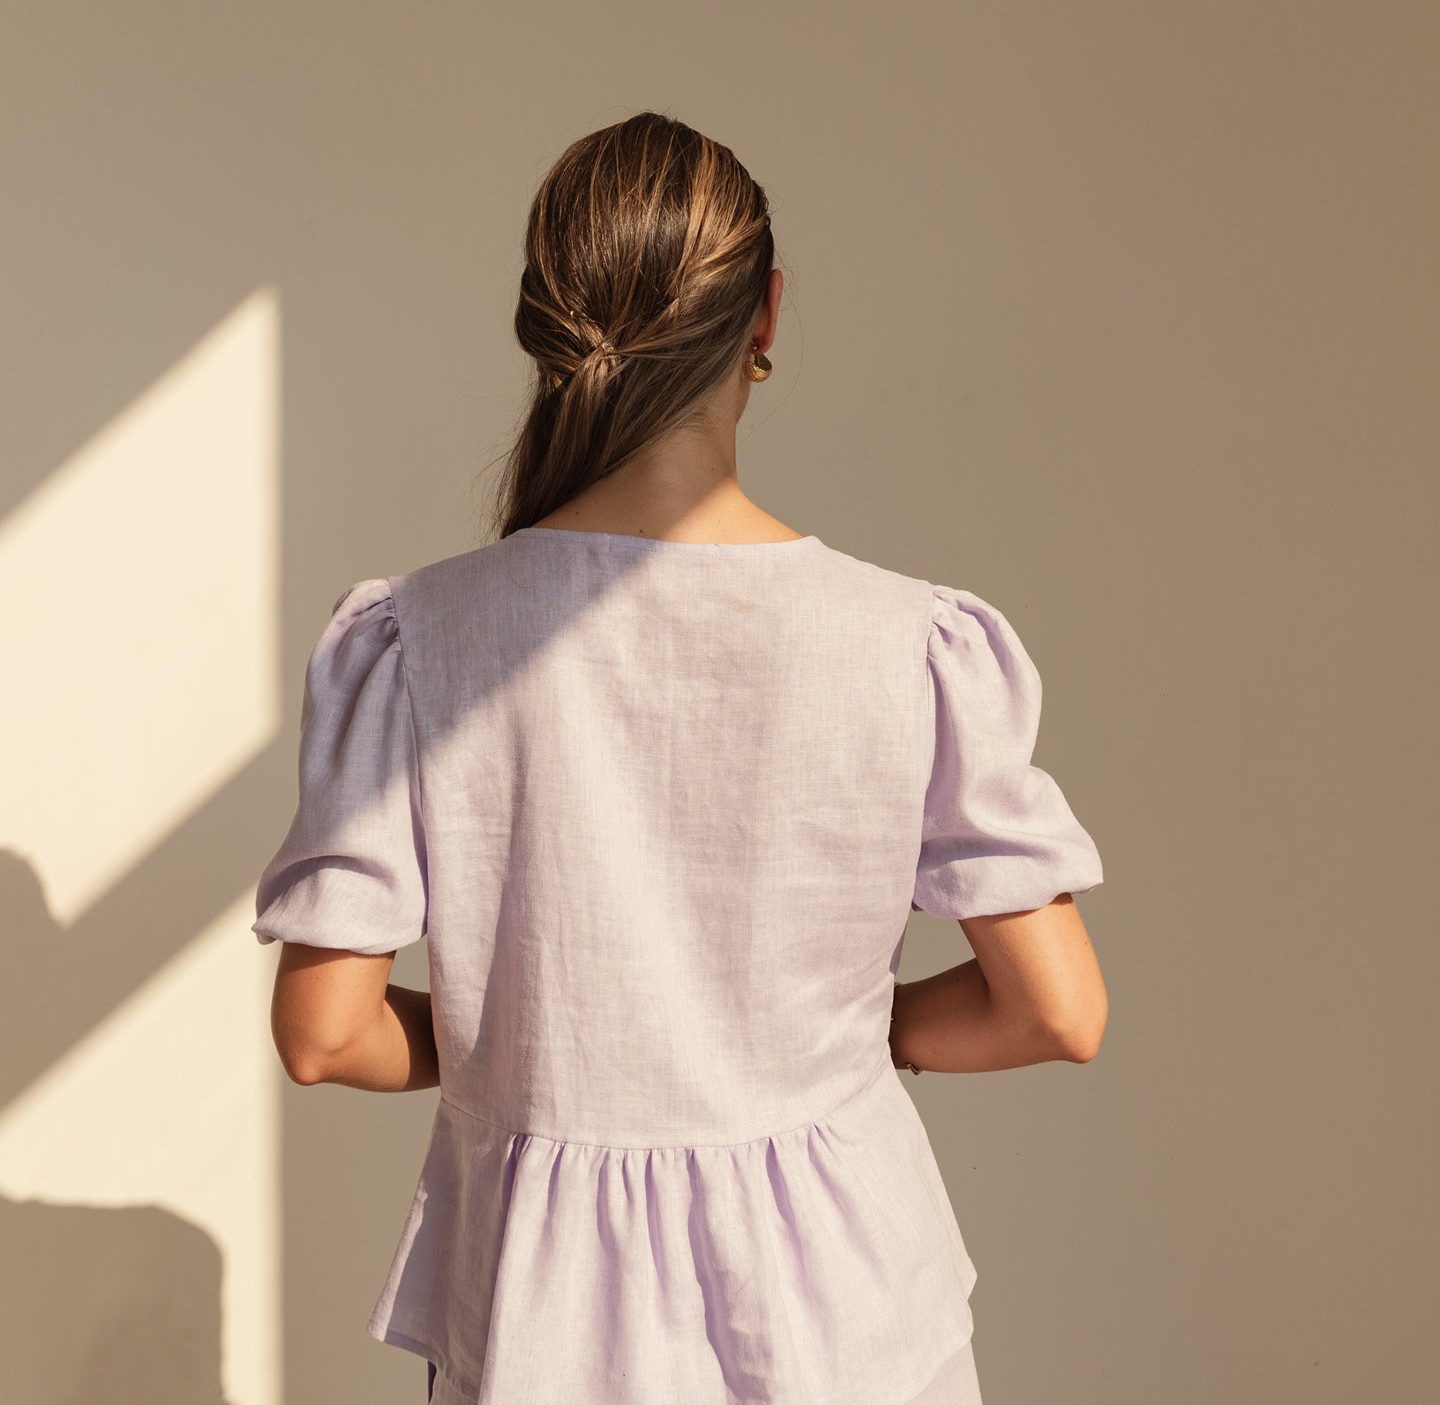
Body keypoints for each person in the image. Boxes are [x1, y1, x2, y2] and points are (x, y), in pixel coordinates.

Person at [252, 110, 1107, 1405]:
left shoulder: (415, 638)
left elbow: (325, 1033)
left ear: (542, 322)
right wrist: (842, 1039)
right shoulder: (910, 642)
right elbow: (1058, 1010)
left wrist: (526, 1044)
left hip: (546, 1318)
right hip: (856, 1311)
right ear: (763, 319)